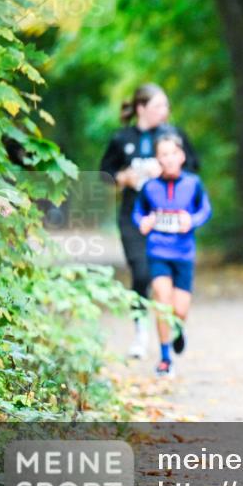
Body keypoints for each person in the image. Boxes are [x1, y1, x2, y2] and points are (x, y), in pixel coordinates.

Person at [99, 84, 200, 360]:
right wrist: (125, 178)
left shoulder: (174, 135)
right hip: (135, 215)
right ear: (141, 108)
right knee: (141, 274)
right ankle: (140, 332)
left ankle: (174, 323)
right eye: (158, 106)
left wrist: (168, 170)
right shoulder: (122, 138)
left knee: (167, 280)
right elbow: (103, 175)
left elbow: (193, 168)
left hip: (167, 219)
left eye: (166, 106)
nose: (164, 112)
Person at [132, 132, 212, 377]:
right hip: (158, 251)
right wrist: (143, 223)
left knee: (180, 310)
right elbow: (138, 213)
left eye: (172, 154)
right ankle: (165, 358)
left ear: (181, 156)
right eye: (163, 155)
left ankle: (178, 330)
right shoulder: (149, 187)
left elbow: (205, 210)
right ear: (157, 159)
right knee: (162, 301)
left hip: (184, 254)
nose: (168, 159)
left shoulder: (193, 184)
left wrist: (193, 220)